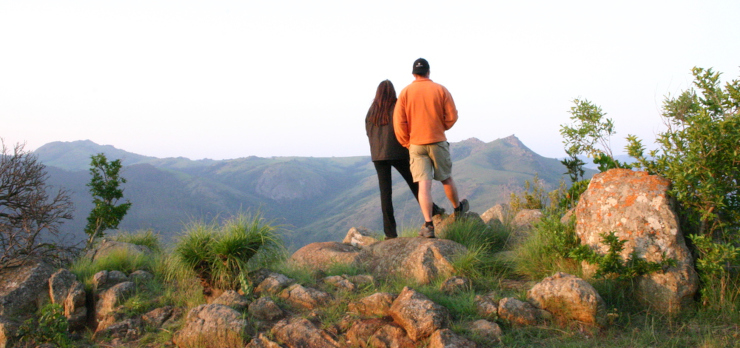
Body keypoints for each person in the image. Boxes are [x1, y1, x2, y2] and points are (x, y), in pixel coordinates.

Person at [393, 58, 469, 238]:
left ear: (413, 74)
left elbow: (399, 122)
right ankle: (458, 211)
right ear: (428, 72)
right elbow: (452, 116)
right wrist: (440, 127)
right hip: (437, 141)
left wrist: (407, 142)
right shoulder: (440, 89)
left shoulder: (405, 93)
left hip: (416, 144)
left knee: (423, 186)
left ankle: (428, 225)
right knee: (446, 179)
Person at [366, 80, 444, 239]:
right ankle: (434, 211)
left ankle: (390, 234)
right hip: (398, 152)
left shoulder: (371, 111)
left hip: (378, 156)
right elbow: (407, 126)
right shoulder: (397, 107)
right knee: (415, 183)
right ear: (393, 92)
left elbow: (368, 132)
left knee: (385, 194)